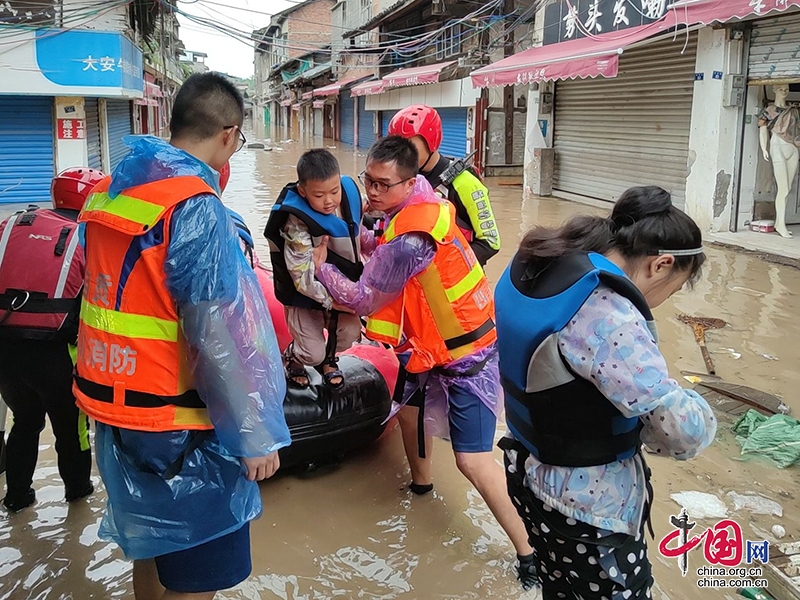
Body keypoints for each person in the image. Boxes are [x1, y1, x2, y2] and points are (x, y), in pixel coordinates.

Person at [73, 72, 291, 600]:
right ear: (229, 134)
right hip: (182, 418)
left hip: (117, 404)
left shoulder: (110, 192)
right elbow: (213, 332)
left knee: (153, 540)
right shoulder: (196, 205)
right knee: (198, 577)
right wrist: (251, 431)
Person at [313, 136, 537, 590]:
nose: (372, 193)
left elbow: (362, 296)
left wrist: (320, 264)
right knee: (409, 410)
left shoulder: (412, 241)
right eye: (367, 182)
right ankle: (421, 486)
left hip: (467, 357)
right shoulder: (421, 204)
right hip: (426, 346)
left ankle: (528, 550)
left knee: (473, 462)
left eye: (382, 185)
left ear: (410, 182)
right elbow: (375, 239)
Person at [494, 186, 717, 599]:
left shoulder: (540, 258)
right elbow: (679, 430)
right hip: (587, 508)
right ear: (661, 264)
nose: (664, 301)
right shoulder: (608, 314)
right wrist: (702, 410)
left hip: (526, 475)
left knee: (560, 589)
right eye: (675, 286)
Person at [0, 167, 104, 512]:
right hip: (56, 354)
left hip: (5, 347)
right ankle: (78, 498)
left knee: (24, 419)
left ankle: (16, 498)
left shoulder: (13, 223)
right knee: (71, 430)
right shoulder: (89, 238)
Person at [264, 149, 366, 389]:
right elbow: (301, 278)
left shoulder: (351, 199)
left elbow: (363, 232)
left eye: (334, 191)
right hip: (304, 295)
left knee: (350, 333)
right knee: (312, 354)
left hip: (340, 287)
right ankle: (294, 357)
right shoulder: (296, 222)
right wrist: (334, 301)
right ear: (303, 192)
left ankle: (329, 360)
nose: (329, 201)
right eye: (319, 195)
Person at [388, 105, 500, 266]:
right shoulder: (402, 179)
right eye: (396, 148)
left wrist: (445, 264)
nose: (401, 155)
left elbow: (491, 241)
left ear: (430, 142)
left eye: (408, 147)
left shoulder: (464, 182)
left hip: (456, 282)